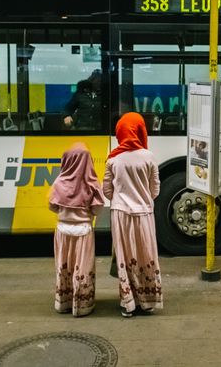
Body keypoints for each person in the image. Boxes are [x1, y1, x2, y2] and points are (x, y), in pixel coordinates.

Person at [103, 112, 163, 317]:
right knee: (145, 253)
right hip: (144, 213)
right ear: (140, 130)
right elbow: (155, 190)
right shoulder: (149, 157)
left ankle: (128, 302)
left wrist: (122, 197)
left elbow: (107, 191)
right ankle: (148, 301)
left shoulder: (113, 159)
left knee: (125, 256)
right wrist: (142, 198)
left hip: (120, 214)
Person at [48, 142, 105, 316]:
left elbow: (53, 206)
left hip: (63, 232)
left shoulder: (59, 182)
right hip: (83, 231)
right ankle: (81, 305)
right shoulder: (92, 184)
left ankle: (63, 303)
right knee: (83, 268)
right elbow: (97, 209)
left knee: (64, 266)